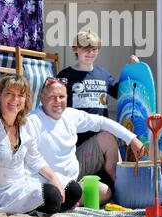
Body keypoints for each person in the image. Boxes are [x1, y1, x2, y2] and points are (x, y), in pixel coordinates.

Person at [0, 75, 82, 217]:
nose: (15, 99)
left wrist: (54, 179)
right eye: (9, 94)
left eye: (20, 95)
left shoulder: (25, 124)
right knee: (52, 196)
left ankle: (47, 203)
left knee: (73, 190)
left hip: (23, 181)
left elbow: (34, 158)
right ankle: (47, 205)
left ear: (25, 99)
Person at [27, 78, 144, 204]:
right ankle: (69, 199)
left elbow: (102, 121)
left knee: (107, 138)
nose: (58, 101)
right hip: (50, 180)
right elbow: (31, 160)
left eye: (61, 96)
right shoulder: (31, 121)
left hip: (76, 171)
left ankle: (123, 191)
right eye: (52, 97)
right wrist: (53, 180)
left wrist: (131, 139)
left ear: (67, 97)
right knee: (105, 192)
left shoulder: (70, 115)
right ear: (42, 98)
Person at [57, 29, 139, 195]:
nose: (90, 52)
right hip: (77, 147)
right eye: (85, 48)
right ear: (75, 49)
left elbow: (123, 92)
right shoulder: (65, 76)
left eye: (94, 49)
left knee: (106, 190)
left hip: (101, 148)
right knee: (109, 137)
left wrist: (134, 68)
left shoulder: (103, 74)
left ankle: (122, 189)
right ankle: (127, 193)